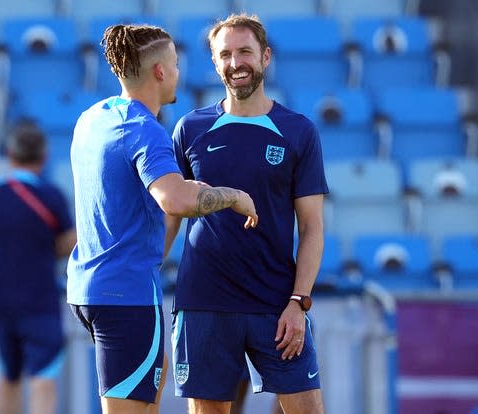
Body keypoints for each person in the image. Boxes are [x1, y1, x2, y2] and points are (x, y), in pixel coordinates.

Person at [66, 23, 259, 414]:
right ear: (159, 72)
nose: (177, 71)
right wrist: (233, 197)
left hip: (88, 288)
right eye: (174, 63)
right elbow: (173, 198)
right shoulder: (144, 129)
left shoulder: (93, 117)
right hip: (127, 295)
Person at [166, 13, 328, 414]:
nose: (235, 63)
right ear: (215, 62)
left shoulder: (298, 131)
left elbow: (311, 228)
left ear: (265, 57)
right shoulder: (190, 128)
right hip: (204, 301)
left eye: (245, 52)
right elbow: (170, 214)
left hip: (276, 304)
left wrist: (298, 301)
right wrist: (145, 277)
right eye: (225, 54)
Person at [0, 125, 77, 414]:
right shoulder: (51, 195)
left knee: (8, 376)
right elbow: (65, 242)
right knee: (43, 376)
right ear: (44, 157)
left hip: (1, 298)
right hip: (39, 299)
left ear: (10, 154)